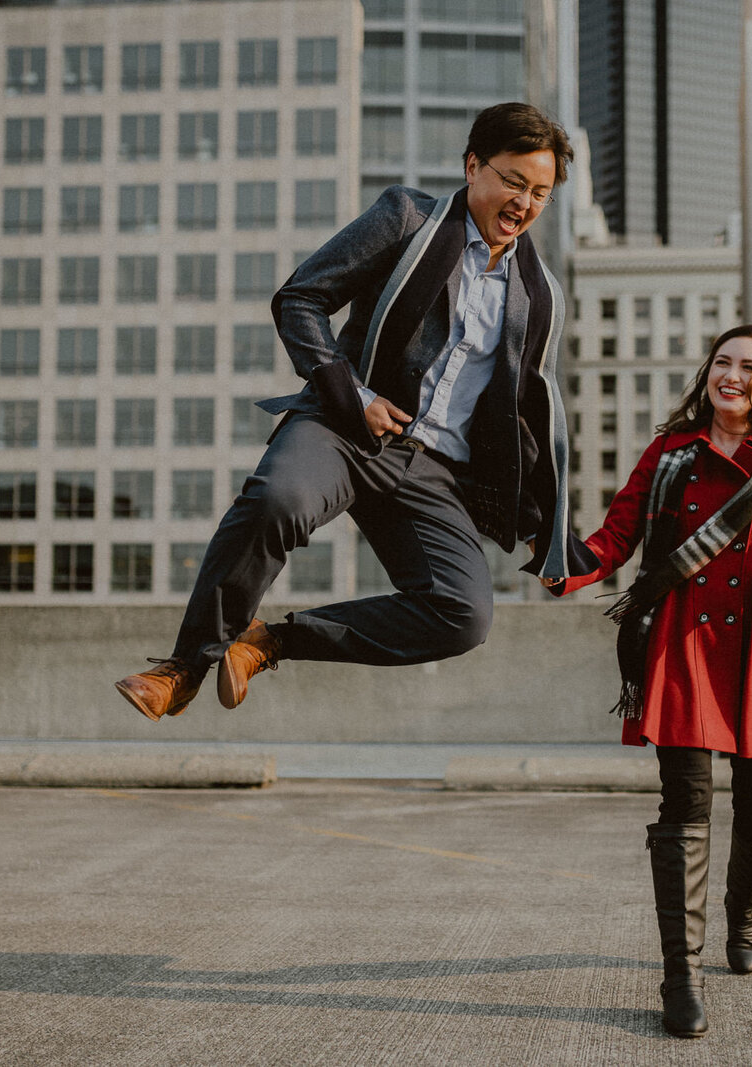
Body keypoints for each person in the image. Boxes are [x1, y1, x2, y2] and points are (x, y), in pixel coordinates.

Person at [116, 102, 596, 721]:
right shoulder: (408, 219)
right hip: (346, 427)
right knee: (275, 501)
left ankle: (271, 641)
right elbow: (301, 298)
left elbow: (520, 419)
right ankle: (182, 668)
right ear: (473, 166)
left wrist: (541, 525)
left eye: (540, 192)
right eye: (512, 180)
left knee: (462, 615)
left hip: (433, 470)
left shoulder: (540, 294)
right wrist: (356, 397)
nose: (524, 203)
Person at [548, 324, 752, 1038]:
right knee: (684, 806)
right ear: (706, 374)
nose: (732, 375)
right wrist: (563, 564)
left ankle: (744, 912)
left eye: (749, 366)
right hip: (681, 640)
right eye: (722, 363)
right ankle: (680, 976)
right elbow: (617, 536)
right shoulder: (669, 451)